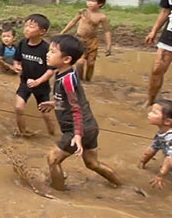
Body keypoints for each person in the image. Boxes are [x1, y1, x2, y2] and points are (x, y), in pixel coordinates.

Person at [40, 35, 121, 191]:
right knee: (92, 164)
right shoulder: (65, 72)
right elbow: (74, 100)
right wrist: (54, 103)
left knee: (53, 159)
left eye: (52, 51)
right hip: (90, 126)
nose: (47, 54)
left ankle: (58, 193)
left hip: (77, 129)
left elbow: (76, 107)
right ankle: (120, 185)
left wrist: (77, 134)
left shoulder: (67, 80)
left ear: (66, 59)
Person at [13, 14, 55, 136]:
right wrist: (16, 65)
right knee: (19, 108)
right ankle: (23, 133)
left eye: (31, 27)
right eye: (26, 26)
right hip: (25, 82)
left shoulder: (46, 49)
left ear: (42, 31)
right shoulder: (22, 44)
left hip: (41, 86)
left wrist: (38, 81)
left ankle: (52, 135)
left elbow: (50, 71)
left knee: (45, 114)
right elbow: (17, 59)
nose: (26, 29)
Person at [60, 0, 112, 81]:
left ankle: (88, 80)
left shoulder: (102, 17)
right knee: (80, 62)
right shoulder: (83, 12)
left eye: (93, 1)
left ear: (100, 4)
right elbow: (73, 22)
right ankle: (80, 80)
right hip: (80, 39)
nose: (89, 3)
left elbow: (107, 31)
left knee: (91, 63)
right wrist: (63, 32)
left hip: (92, 41)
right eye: (88, 0)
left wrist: (109, 45)